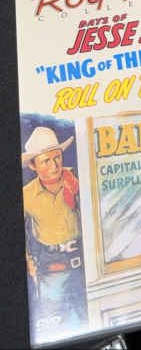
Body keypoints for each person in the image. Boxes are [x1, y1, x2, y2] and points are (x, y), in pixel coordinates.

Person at [21, 126, 88, 331]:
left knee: (90, 315)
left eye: (57, 157)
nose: (54, 165)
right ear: (33, 165)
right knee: (54, 322)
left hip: (85, 260)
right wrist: (28, 262)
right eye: (46, 161)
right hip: (51, 266)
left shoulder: (77, 178)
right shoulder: (26, 195)